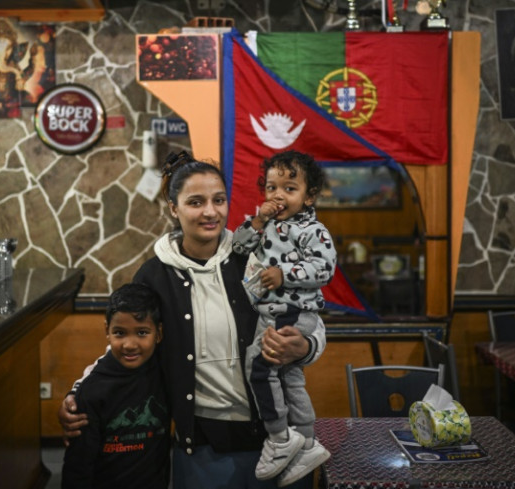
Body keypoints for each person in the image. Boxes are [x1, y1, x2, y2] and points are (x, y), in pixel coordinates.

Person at [59, 150, 327, 489]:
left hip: (281, 442)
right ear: (174, 208)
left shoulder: (256, 255)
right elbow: (129, 343)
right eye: (195, 202)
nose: (210, 212)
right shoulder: (154, 275)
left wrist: (305, 345)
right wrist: (77, 392)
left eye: (219, 200)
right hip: (201, 447)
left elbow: (309, 319)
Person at [231, 150, 334, 484]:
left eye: (289, 189)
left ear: (309, 197)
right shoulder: (268, 225)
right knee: (289, 376)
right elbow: (238, 247)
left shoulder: (313, 230)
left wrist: (284, 272)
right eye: (272, 188)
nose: (278, 196)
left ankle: (279, 438)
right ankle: (305, 441)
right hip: (271, 312)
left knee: (258, 368)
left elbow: (325, 267)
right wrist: (258, 221)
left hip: (292, 311)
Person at [61, 283, 169, 489]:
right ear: (107, 331)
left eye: (142, 332)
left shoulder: (164, 373)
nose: (130, 344)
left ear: (159, 333)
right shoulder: (92, 389)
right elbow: (78, 465)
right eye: (120, 333)